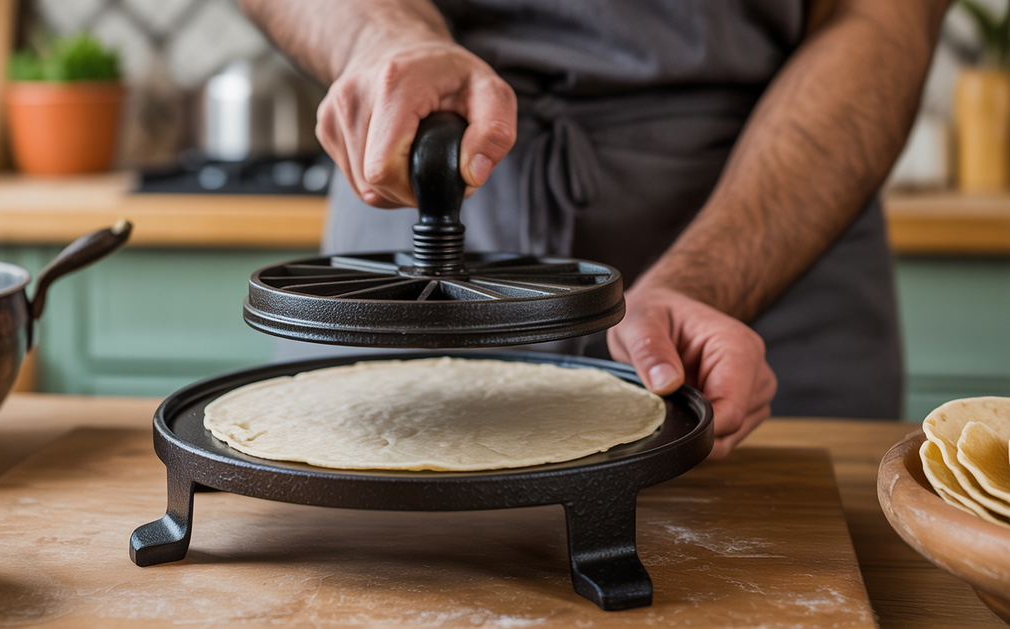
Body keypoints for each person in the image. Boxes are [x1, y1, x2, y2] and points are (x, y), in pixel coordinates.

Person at [240, 0, 951, 457]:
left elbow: (883, 16)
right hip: (407, 178)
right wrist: (378, 32)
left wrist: (708, 278)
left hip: (773, 218)